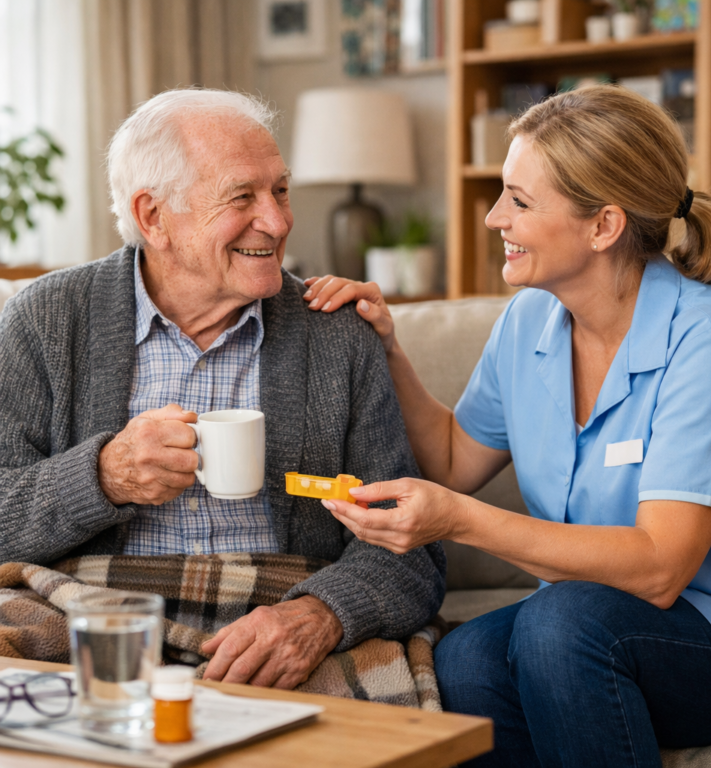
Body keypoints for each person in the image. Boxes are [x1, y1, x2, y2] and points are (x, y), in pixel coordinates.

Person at [302, 85, 711, 766]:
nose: (494, 218)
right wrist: (387, 349)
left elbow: (663, 569)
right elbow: (455, 460)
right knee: (465, 662)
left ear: (603, 226)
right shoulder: (529, 324)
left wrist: (455, 520)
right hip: (587, 627)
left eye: (519, 201)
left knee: (559, 625)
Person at [0, 89, 445, 691]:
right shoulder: (46, 320)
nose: (280, 220)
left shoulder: (336, 332)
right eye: (243, 197)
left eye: (280, 191)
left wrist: (319, 615)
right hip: (89, 610)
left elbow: (412, 547)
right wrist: (104, 476)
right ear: (153, 216)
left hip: (278, 610)